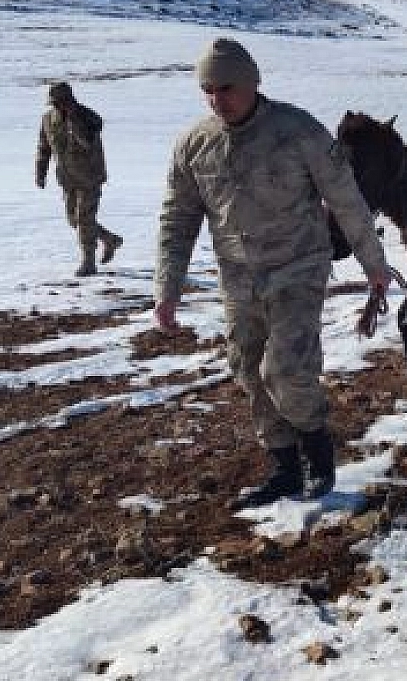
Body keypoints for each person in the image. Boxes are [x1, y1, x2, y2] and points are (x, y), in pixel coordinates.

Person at [154, 37, 393, 510]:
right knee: (246, 368)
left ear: (251, 83)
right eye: (207, 90)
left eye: (225, 88)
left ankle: (317, 452)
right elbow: (178, 217)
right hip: (238, 277)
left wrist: (374, 264)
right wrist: (168, 288)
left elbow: (346, 200)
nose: (216, 99)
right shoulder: (195, 145)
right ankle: (284, 466)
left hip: (298, 267)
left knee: (284, 369)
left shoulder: (299, 131)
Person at [35, 81, 123, 277]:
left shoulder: (89, 117)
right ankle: (109, 239)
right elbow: (44, 147)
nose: (57, 106)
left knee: (84, 219)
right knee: (74, 220)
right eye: (54, 103)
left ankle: (88, 262)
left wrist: (74, 121)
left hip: (90, 176)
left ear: (70, 100)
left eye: (60, 102)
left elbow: (87, 143)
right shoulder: (48, 119)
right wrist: (40, 173)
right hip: (67, 178)